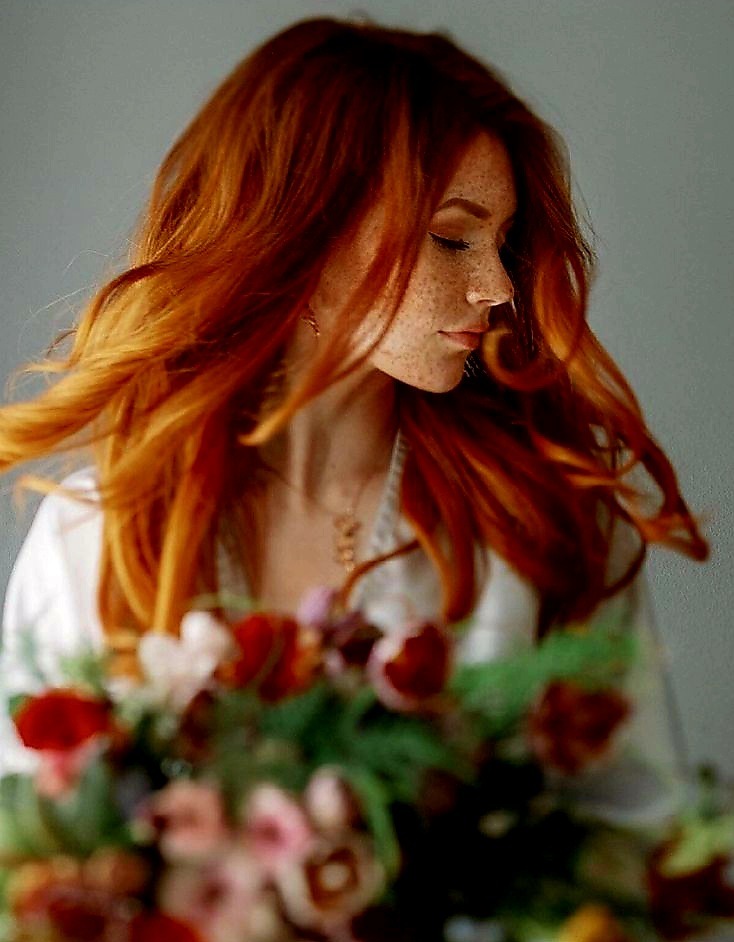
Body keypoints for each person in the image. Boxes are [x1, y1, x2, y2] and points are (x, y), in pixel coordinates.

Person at [0, 14, 707, 811]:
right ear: (305, 232)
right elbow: (30, 857)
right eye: (452, 239)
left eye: (503, 242)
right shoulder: (97, 537)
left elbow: (645, 844)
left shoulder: (545, 521)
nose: (499, 287)